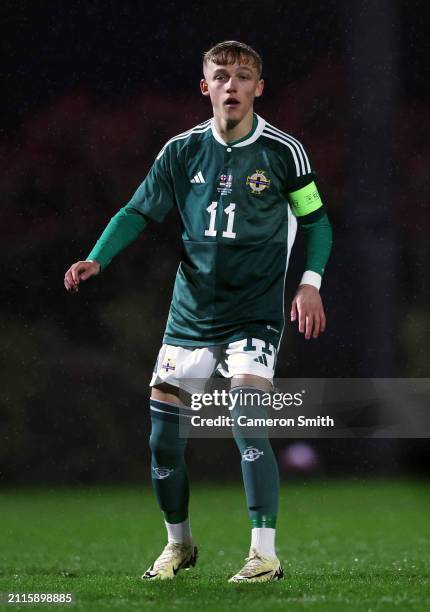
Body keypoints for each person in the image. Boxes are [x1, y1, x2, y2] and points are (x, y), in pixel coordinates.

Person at [64, 40, 332, 583]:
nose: (231, 85)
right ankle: (178, 545)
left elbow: (317, 222)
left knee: (245, 419)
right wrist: (97, 258)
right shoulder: (181, 151)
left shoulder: (284, 152)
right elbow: (138, 211)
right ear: (204, 87)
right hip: (189, 314)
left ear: (259, 88)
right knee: (163, 439)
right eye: (221, 76)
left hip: (253, 313)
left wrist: (309, 283)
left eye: (242, 76)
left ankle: (263, 556)